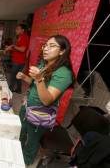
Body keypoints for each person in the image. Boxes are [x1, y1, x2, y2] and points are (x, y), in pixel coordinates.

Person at [16, 35, 73, 165]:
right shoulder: (44, 64)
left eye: (52, 46)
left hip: (39, 114)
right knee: (21, 132)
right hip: (27, 107)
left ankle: (24, 162)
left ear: (62, 51)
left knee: (32, 142)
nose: (46, 49)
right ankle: (16, 154)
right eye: (45, 45)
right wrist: (25, 77)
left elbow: (47, 100)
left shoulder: (64, 73)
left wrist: (39, 78)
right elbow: (35, 85)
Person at [5, 24, 29, 93]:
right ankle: (19, 89)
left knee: (12, 76)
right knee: (18, 76)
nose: (16, 30)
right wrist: (10, 48)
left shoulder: (24, 37)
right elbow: (17, 49)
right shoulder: (20, 37)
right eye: (16, 29)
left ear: (22, 30)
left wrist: (13, 46)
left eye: (18, 29)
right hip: (17, 60)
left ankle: (10, 90)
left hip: (19, 61)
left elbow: (22, 49)